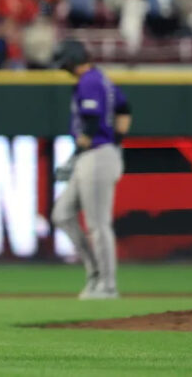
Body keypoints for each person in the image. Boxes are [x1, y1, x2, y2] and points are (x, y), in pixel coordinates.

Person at [50, 39, 132, 300]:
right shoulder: (102, 79)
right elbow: (124, 110)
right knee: (62, 214)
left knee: (98, 224)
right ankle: (96, 273)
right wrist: (116, 143)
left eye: (65, 62)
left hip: (96, 155)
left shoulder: (89, 81)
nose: (64, 67)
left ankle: (107, 285)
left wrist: (77, 155)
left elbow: (92, 121)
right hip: (100, 153)